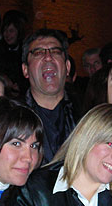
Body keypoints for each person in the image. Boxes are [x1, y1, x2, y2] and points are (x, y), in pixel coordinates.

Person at [22, 28, 82, 164]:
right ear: (25, 69)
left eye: (55, 52)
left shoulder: (86, 114)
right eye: (38, 53)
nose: (48, 57)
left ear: (67, 67)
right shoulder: (11, 117)